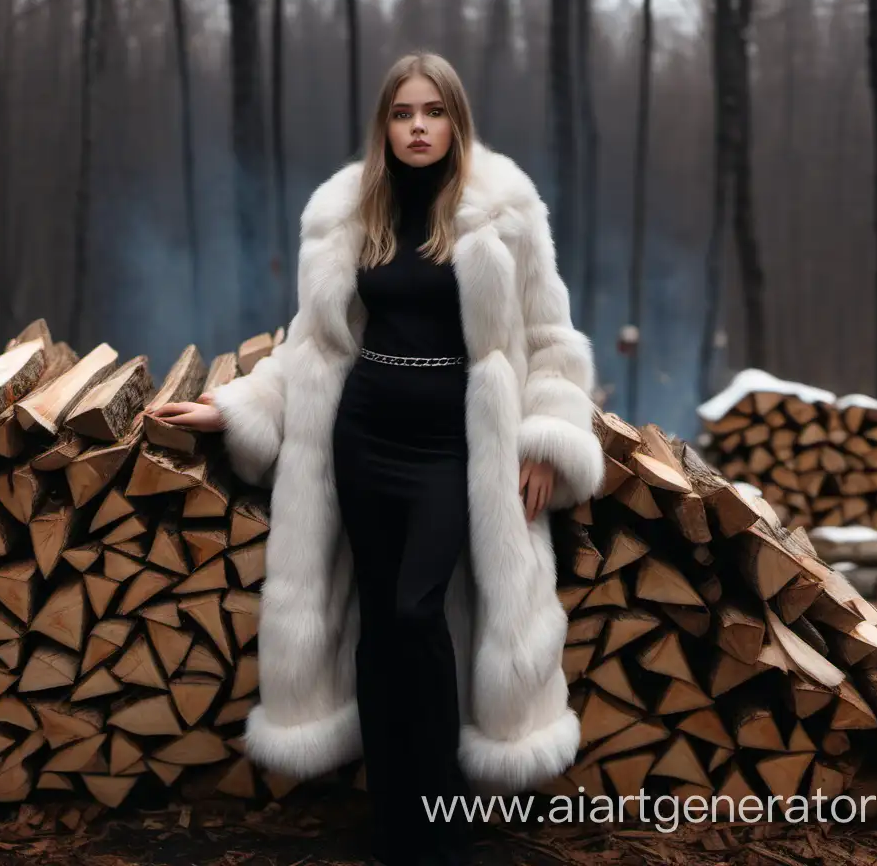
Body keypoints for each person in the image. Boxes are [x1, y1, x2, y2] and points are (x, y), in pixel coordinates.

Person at [145, 52, 606, 865]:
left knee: (416, 615)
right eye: (402, 113)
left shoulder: (505, 211)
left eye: (433, 112)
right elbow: (314, 348)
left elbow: (549, 339)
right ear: (384, 125)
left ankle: (441, 823)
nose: (417, 127)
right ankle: (394, 820)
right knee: (380, 633)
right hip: (363, 440)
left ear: (456, 123)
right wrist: (236, 406)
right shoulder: (347, 213)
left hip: (453, 449)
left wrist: (548, 440)